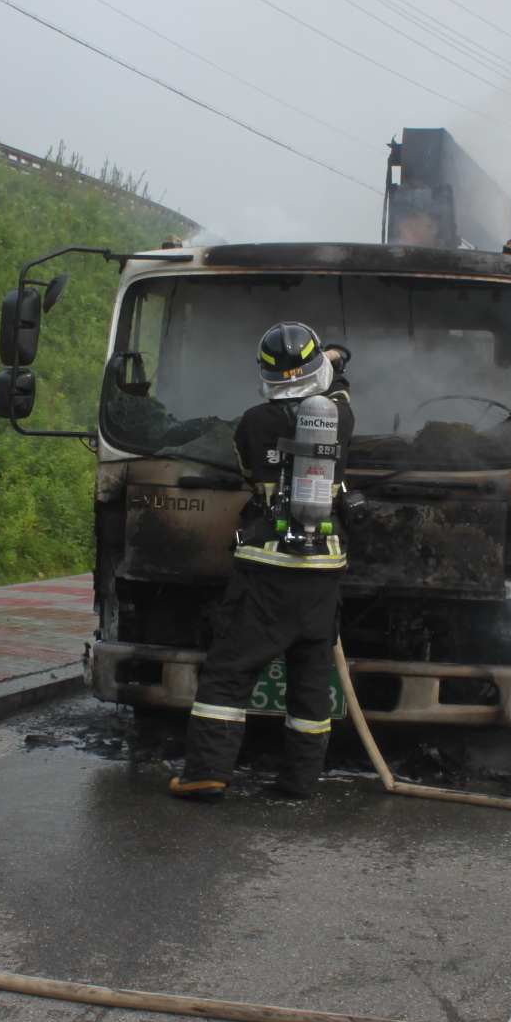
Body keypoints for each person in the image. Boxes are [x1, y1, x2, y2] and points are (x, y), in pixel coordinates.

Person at [170, 323, 358, 802]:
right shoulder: (340, 414)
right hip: (322, 572)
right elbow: (337, 391)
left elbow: (249, 469)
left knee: (229, 673)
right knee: (311, 683)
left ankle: (206, 773)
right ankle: (300, 781)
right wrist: (334, 361)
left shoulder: (252, 422)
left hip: (267, 571)